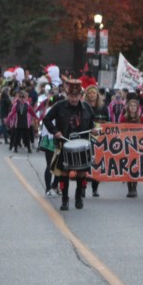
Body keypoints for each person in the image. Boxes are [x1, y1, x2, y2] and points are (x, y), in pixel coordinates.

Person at [42, 79, 95, 211]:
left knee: (82, 173)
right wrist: (55, 131)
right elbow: (46, 119)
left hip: (82, 145)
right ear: (67, 95)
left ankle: (78, 197)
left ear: (80, 96)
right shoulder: (59, 106)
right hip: (64, 143)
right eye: (71, 96)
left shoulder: (87, 107)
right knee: (64, 173)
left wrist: (93, 129)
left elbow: (92, 124)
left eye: (76, 96)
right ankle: (65, 200)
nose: (74, 99)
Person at [120, 94, 143, 198]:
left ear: (137, 107)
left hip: (138, 145)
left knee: (136, 166)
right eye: (131, 105)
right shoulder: (123, 118)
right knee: (128, 166)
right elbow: (119, 130)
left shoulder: (141, 119)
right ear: (128, 107)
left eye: (135, 105)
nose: (133, 107)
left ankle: (134, 186)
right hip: (127, 145)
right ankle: (129, 187)